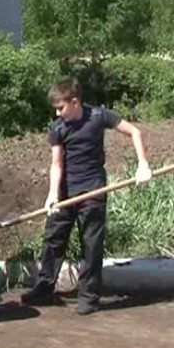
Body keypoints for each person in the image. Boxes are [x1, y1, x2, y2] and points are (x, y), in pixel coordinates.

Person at [21, 77, 152, 315]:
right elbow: (56, 165)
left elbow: (134, 131)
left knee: (91, 245)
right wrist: (52, 195)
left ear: (75, 101)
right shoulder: (58, 129)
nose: (58, 113)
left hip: (93, 191)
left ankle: (89, 297)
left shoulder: (99, 117)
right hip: (65, 195)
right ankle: (44, 289)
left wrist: (143, 165)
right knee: (53, 240)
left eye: (61, 108)